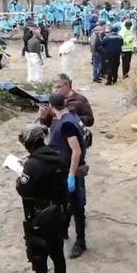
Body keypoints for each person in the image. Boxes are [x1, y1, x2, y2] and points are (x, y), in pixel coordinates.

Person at [16, 124, 68, 273]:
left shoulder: (33, 164)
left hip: (39, 214)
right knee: (57, 249)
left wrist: (20, 176)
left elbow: (22, 188)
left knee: (38, 253)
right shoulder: (56, 156)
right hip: (57, 210)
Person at [47, 93, 89, 259]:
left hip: (72, 171)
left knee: (77, 207)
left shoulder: (66, 124)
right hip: (65, 169)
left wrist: (71, 175)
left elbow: (76, 151)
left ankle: (81, 242)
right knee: (66, 203)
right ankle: (63, 230)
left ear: (51, 107)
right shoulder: (72, 116)